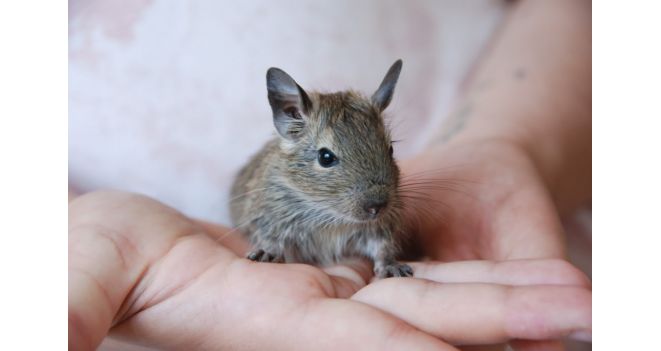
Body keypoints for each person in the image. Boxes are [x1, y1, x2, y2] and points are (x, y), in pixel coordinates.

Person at [69, 0, 591, 350]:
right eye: (328, 160)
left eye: (386, 153)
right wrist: (66, 218)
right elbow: (250, 210)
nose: (374, 197)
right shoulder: (276, 180)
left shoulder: (382, 192)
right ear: (288, 119)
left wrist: (504, 140)